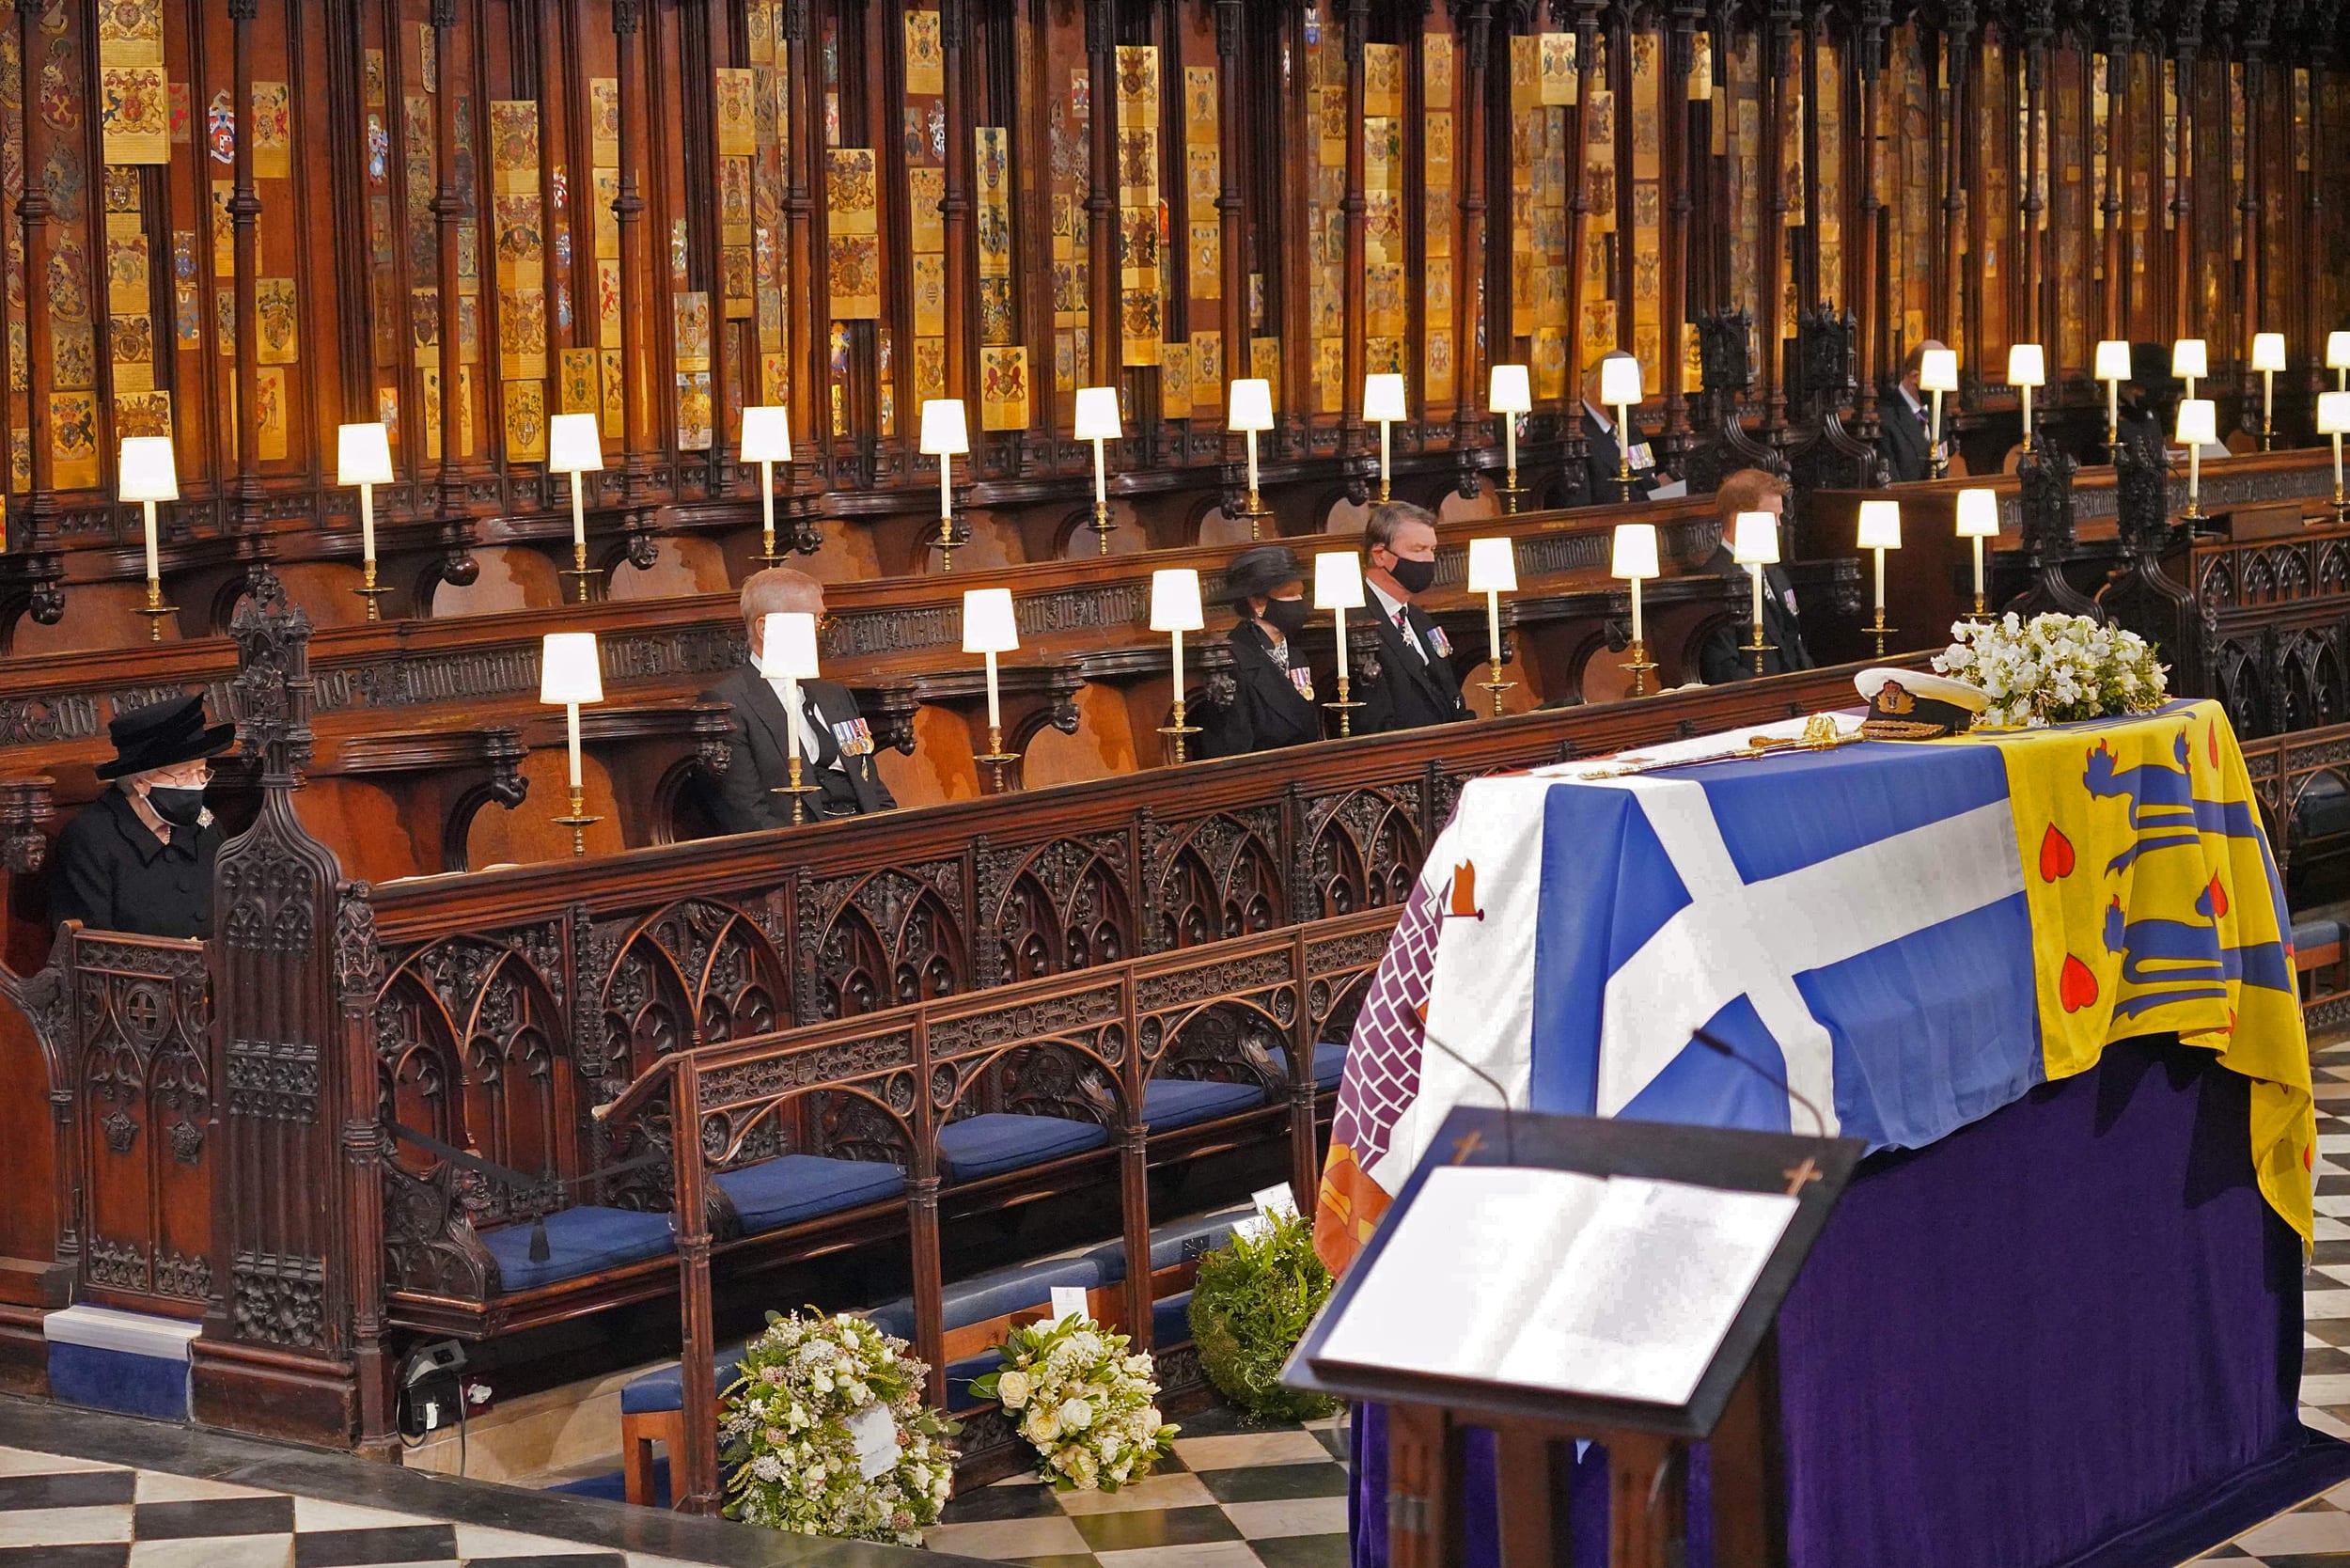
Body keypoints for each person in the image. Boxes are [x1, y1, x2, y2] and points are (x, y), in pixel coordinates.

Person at [704, 568, 896, 830]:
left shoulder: (835, 696)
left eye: (821, 619)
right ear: (765, 628)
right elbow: (746, 814)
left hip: (864, 837)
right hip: (797, 848)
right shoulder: (728, 702)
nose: (820, 631)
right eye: (811, 620)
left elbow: (872, 788)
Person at [52, 695, 235, 940]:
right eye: (182, 774)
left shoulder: (205, 823)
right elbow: (92, 946)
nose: (197, 784)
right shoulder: (90, 839)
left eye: (201, 771)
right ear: (140, 782)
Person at [1357, 502, 1473, 733]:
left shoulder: (1421, 620)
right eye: (1418, 550)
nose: (1429, 560)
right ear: (1380, 555)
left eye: (1432, 550)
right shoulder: (1357, 624)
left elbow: (1450, 695)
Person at [1198, 544, 1323, 759]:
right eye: (1290, 594)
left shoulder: (1295, 655)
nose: (1300, 603)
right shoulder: (1232, 662)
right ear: (1257, 602)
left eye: (1301, 593)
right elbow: (1232, 748)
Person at [1698, 467, 1815, 683]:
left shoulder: (1774, 573)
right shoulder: (1715, 582)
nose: (1779, 526)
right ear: (1741, 518)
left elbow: (1794, 642)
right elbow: (1721, 667)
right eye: (1771, 517)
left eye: (1780, 517)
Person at [1581, 351, 1677, 503]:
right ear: (1601, 388)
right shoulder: (1578, 434)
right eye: (1634, 393)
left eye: (1640, 394)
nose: (1637, 401)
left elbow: (1645, 475)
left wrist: (1661, 487)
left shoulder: (1630, 429)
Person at [1878, 339, 1947, 483]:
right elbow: (1890, 481)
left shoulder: (1937, 414)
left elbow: (1943, 469)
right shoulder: (1885, 417)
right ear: (1915, 377)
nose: (1944, 389)